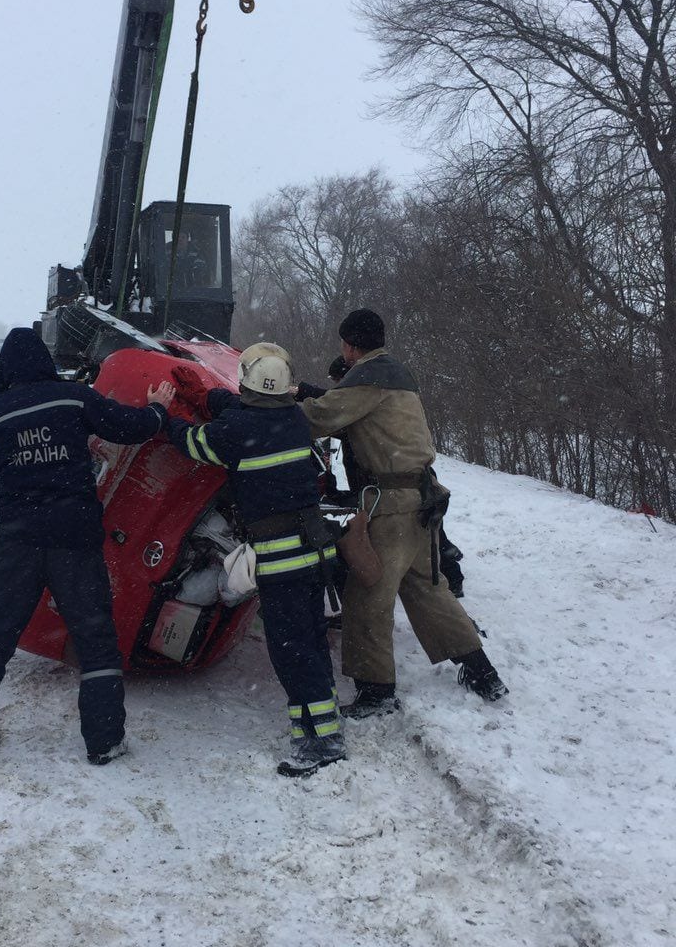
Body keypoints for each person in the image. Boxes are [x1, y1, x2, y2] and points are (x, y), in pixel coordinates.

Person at [0, 326, 176, 766]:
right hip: (74, 538)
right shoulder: (73, 396)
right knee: (95, 637)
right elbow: (128, 427)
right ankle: (104, 742)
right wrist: (159, 411)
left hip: (17, 542)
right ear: (44, 361)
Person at [298, 309, 508, 717]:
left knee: (367, 595)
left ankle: (377, 692)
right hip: (422, 499)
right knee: (428, 589)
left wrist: (271, 404)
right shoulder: (397, 375)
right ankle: (482, 672)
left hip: (390, 505)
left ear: (349, 345)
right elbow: (350, 414)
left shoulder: (367, 377)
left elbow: (320, 417)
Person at [164, 344, 345, 778]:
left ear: (247, 383)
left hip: (281, 561)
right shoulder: (296, 419)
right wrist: (206, 396)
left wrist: (161, 414)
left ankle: (321, 741)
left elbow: (192, 442)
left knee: (291, 650)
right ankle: (325, 721)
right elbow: (250, 409)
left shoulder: (234, 431)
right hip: (315, 551)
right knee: (310, 640)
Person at [316, 357, 466, 599]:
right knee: (427, 538)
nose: (336, 387)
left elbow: (336, 413)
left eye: (337, 381)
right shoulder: (371, 399)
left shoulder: (363, 402)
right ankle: (442, 576)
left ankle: (450, 577)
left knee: (428, 538)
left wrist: (303, 393)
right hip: (402, 486)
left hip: (402, 488)